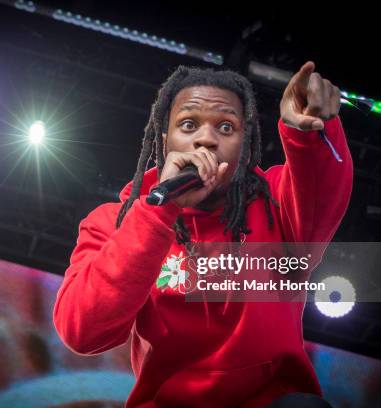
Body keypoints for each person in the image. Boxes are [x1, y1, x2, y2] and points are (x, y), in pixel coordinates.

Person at [53, 61, 353, 407]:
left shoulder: (276, 203)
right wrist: (158, 211)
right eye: (188, 124)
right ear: (165, 141)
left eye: (226, 127)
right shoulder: (115, 222)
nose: (206, 139)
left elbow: (323, 191)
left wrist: (310, 131)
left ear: (244, 146)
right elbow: (82, 331)